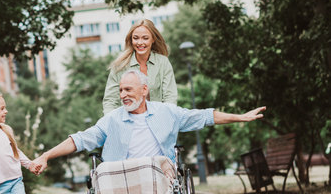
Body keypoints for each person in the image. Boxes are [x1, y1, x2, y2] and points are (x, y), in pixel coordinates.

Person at [31, 70, 266, 174]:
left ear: (144, 90)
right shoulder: (112, 119)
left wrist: (241, 117)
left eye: (128, 89)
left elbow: (204, 116)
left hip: (157, 173)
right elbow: (81, 139)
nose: (123, 94)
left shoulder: (167, 113)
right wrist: (46, 155)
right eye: (120, 90)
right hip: (119, 175)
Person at [102, 19, 177, 114]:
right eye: (136, 38)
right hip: (129, 123)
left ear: (153, 39)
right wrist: (113, 124)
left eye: (145, 38)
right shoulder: (120, 66)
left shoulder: (163, 62)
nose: (140, 42)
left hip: (159, 119)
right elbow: (110, 101)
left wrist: (166, 119)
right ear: (131, 39)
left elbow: (170, 97)